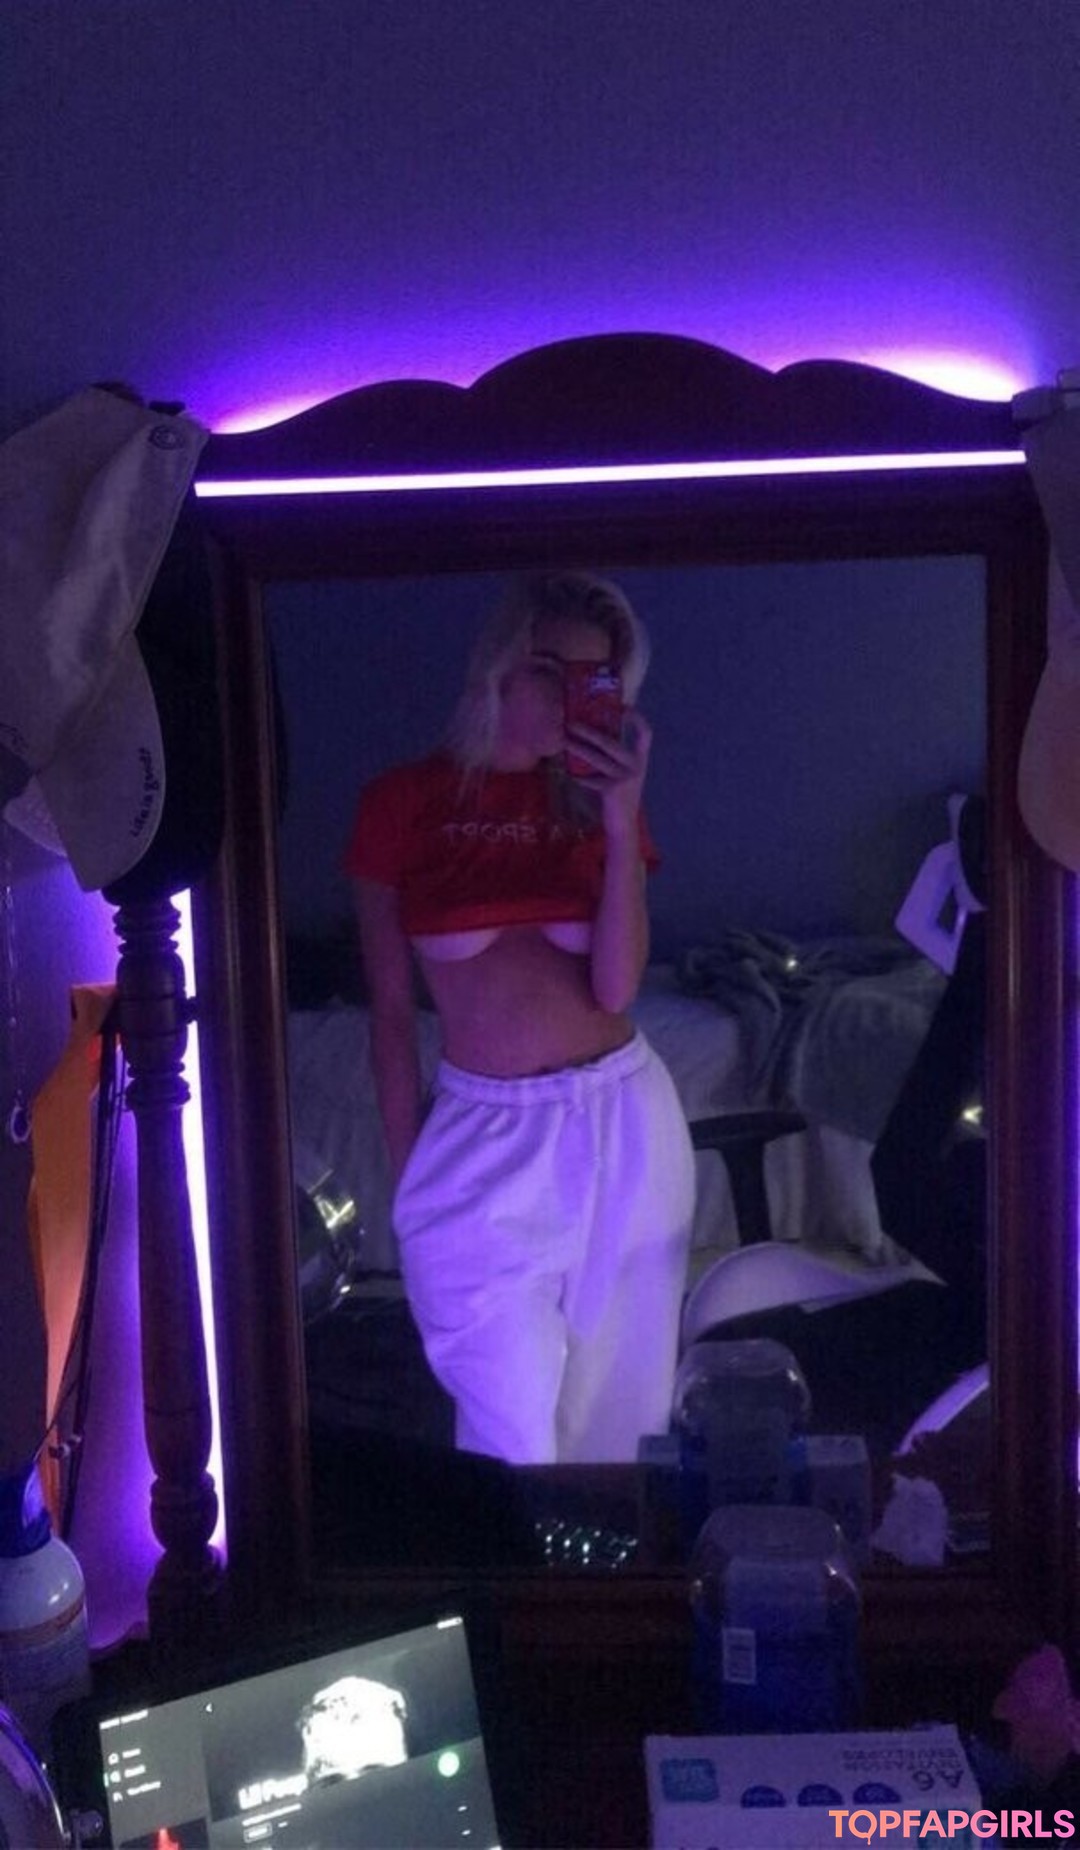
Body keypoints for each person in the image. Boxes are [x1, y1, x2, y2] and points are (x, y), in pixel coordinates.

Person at [344, 571, 696, 1465]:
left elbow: (615, 988)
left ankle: (609, 1564)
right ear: (498, 664)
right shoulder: (402, 804)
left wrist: (621, 822)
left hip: (625, 1120)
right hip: (482, 1129)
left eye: (594, 679)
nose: (570, 699)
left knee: (622, 1422)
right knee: (509, 1436)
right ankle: (513, 1558)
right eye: (548, 669)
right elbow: (391, 1013)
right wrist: (408, 1174)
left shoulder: (598, 807)